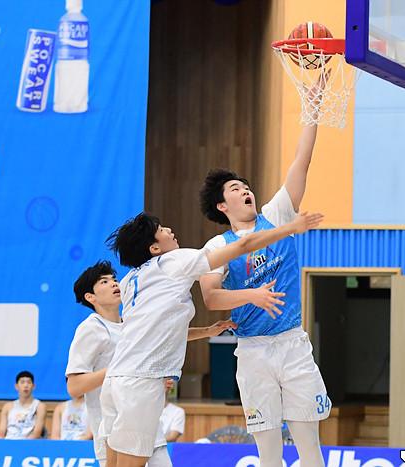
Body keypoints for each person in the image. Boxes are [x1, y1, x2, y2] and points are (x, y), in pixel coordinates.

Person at [100, 210, 322, 467]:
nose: (169, 230)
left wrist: (206, 331)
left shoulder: (130, 280)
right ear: (154, 248)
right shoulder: (173, 261)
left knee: (112, 463)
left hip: (115, 381)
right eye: (161, 230)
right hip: (140, 381)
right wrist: (290, 228)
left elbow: (154, 332)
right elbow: (243, 245)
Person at [198, 124, 330, 467]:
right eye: (235, 188)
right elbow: (211, 298)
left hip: (292, 344)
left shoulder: (276, 216)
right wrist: (251, 295)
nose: (245, 190)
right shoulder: (217, 246)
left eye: (246, 186)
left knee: (309, 446)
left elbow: (302, 160)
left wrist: (311, 113)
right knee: (269, 454)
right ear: (221, 205)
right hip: (253, 352)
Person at [66, 261, 242, 465]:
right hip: (112, 427)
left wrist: (208, 331)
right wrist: (123, 371)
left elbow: (164, 335)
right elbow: (74, 387)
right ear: (90, 297)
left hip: (146, 418)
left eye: (114, 279)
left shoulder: (130, 320)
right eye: (104, 282)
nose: (114, 283)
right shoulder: (91, 328)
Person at [0, 370, 47, 439]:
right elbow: (1, 433)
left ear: (33, 386)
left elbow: (37, 433)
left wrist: (23, 444)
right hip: (8, 442)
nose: (26, 385)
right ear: (16, 386)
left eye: (29, 382)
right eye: (22, 382)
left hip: (29, 443)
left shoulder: (40, 406)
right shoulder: (7, 407)